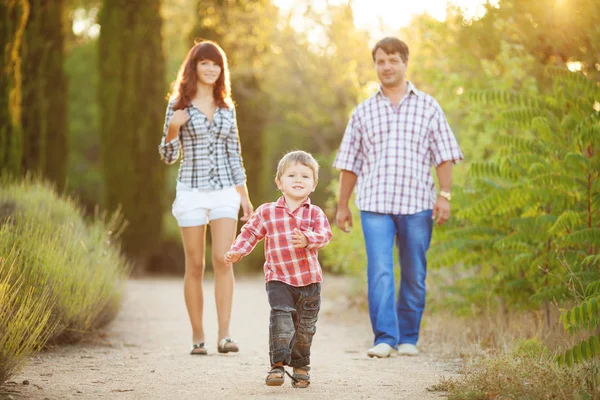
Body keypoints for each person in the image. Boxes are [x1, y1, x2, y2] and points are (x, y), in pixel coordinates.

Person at [333, 37, 463, 358]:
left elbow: (444, 155)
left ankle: (408, 337)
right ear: (375, 66)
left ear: (405, 63)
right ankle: (385, 338)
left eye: (393, 60)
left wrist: (444, 195)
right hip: (375, 205)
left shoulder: (428, 106)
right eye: (380, 61)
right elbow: (349, 164)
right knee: (379, 270)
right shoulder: (363, 112)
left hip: (417, 204)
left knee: (414, 272)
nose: (386, 66)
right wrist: (341, 205)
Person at [158, 40, 253, 355]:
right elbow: (167, 156)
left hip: (225, 191)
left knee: (223, 259)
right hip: (191, 192)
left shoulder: (227, 108)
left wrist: (245, 198)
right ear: (194, 67)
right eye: (205, 63)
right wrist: (173, 129)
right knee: (195, 264)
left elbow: (234, 155)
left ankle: (224, 335)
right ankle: (198, 336)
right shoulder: (178, 107)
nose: (211, 68)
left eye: (217, 64)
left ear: (220, 70)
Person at [224, 150, 332, 388]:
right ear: (279, 182)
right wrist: (238, 250)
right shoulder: (267, 211)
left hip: (309, 281)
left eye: (305, 176)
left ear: (314, 184)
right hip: (279, 278)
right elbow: (251, 232)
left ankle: (301, 367)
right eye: (291, 175)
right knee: (281, 320)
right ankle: (278, 366)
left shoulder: (315, 213)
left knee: (305, 328)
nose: (298, 180)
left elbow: (325, 235)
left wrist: (308, 238)